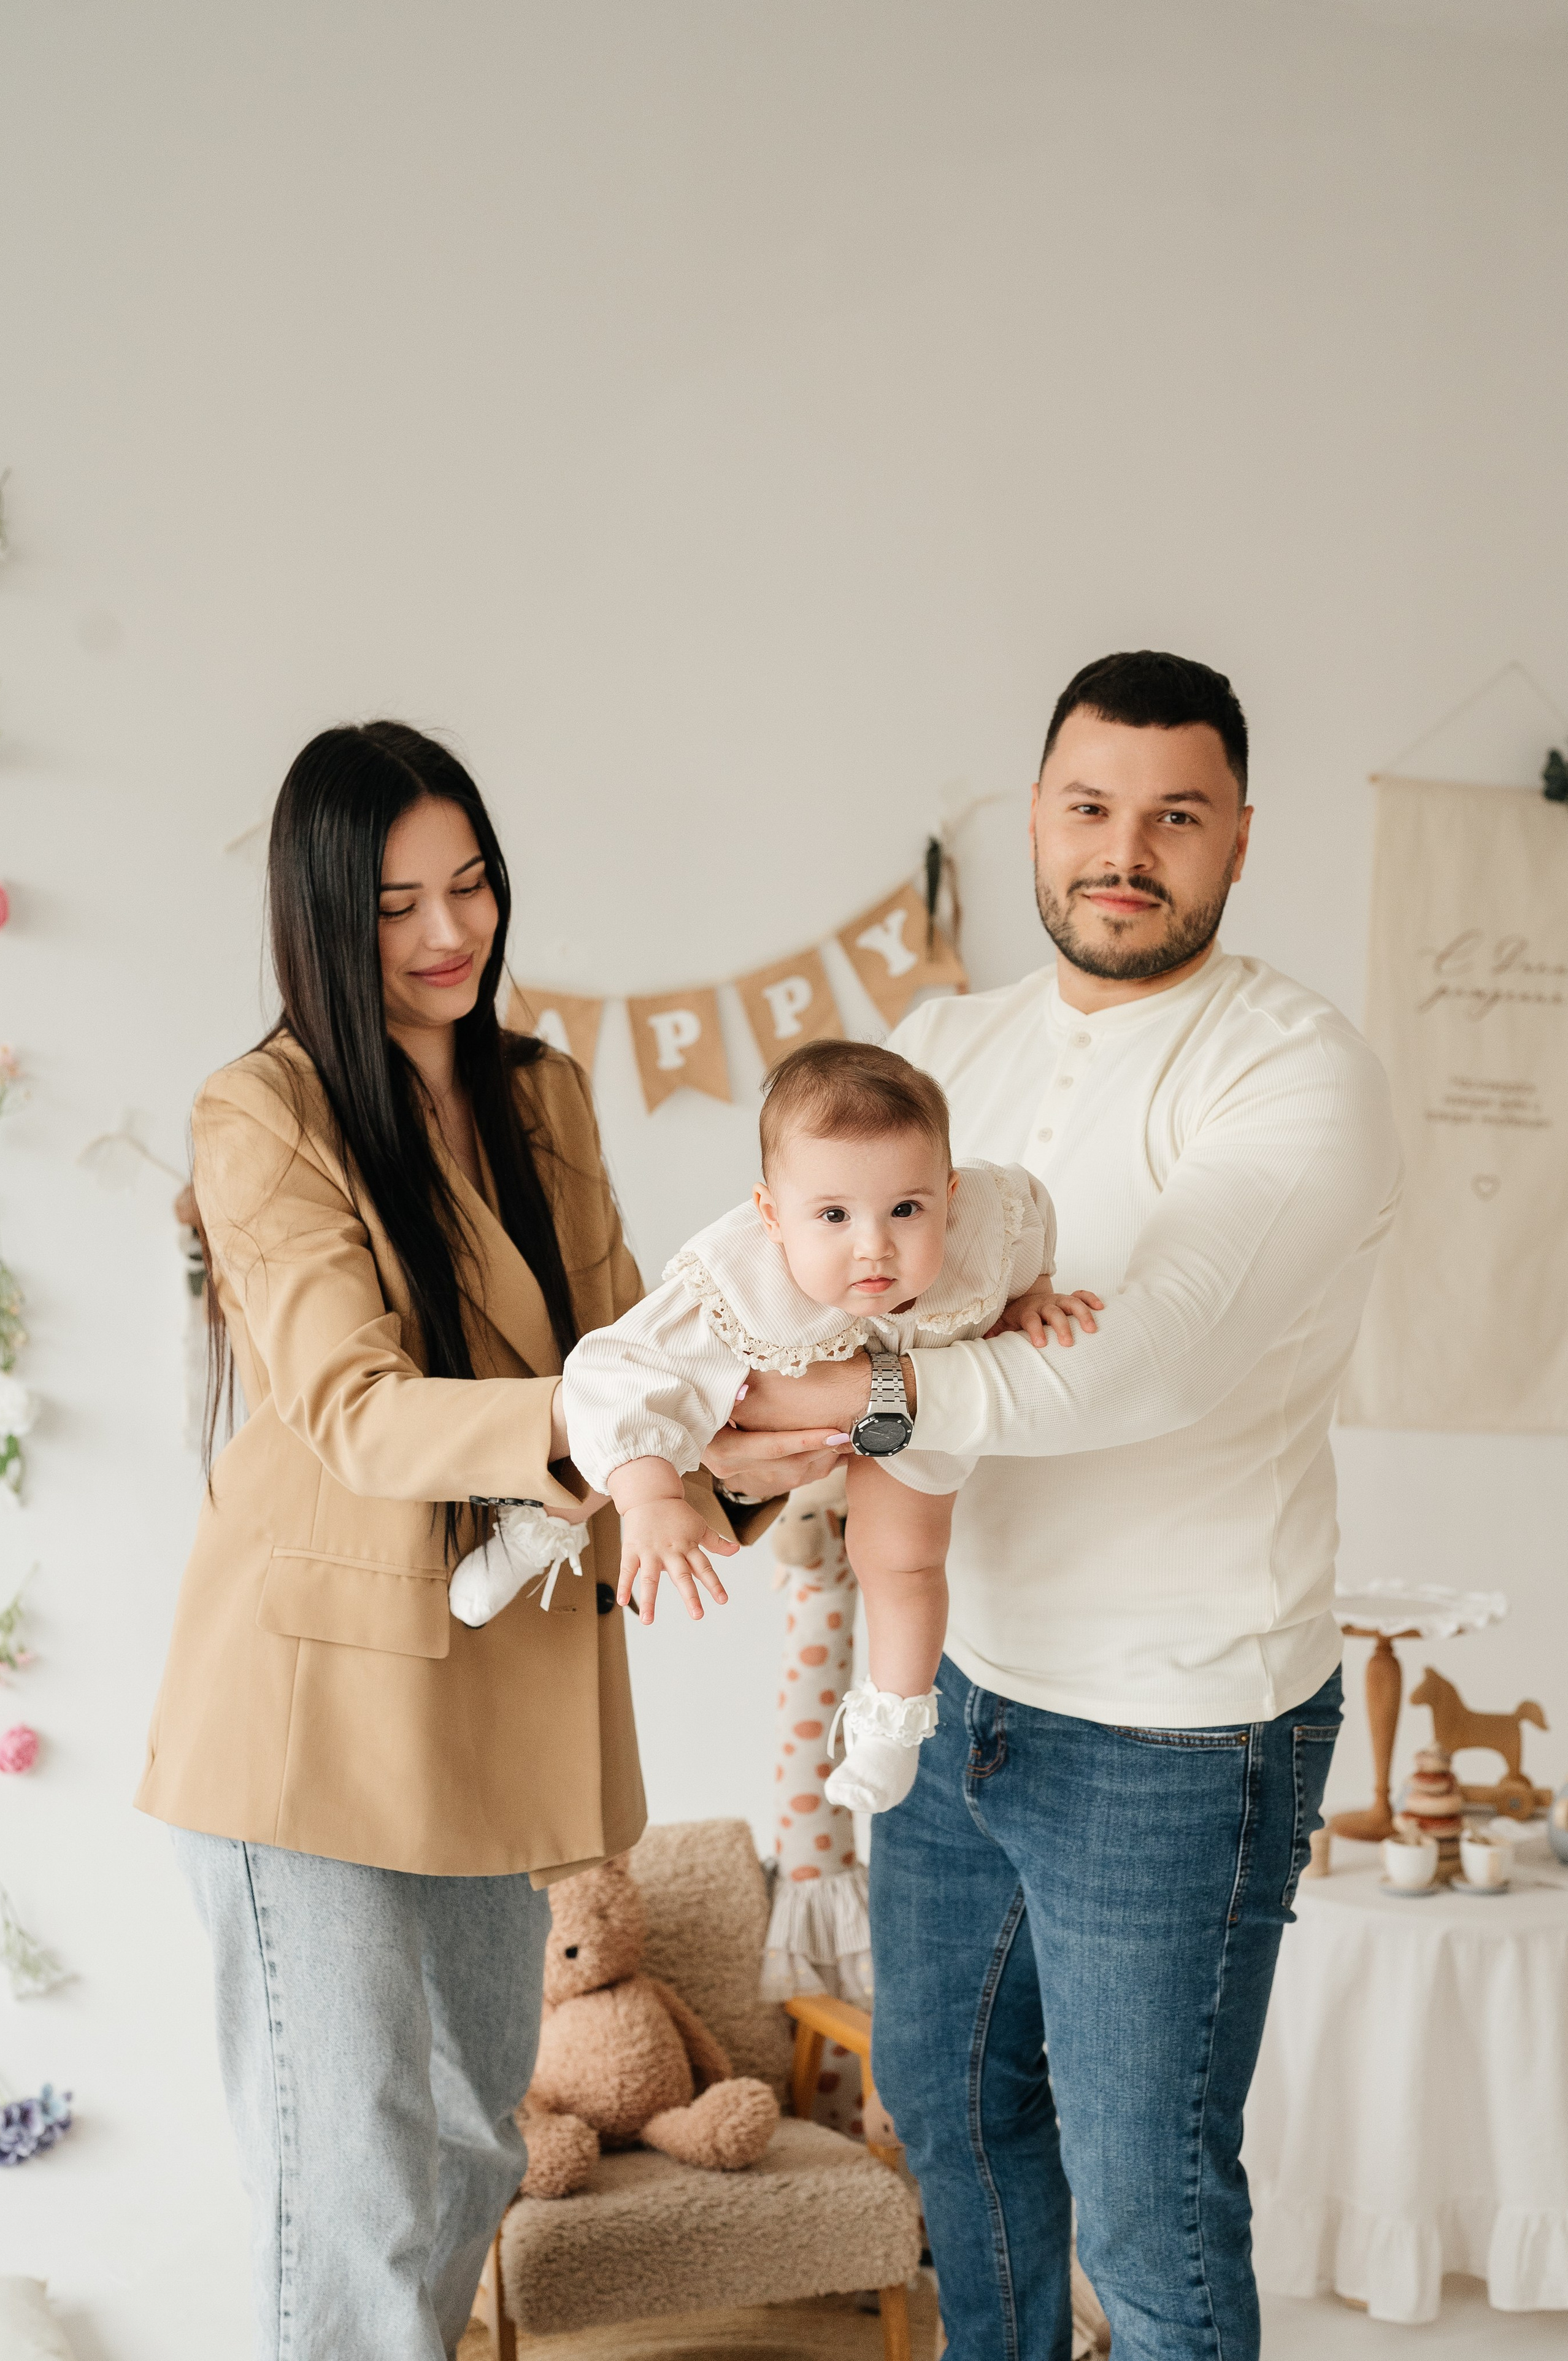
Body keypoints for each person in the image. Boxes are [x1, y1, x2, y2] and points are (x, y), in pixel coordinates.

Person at [729, 651, 1402, 2361]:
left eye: (1176, 817)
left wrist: (812, 1399)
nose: (1128, 849)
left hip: (1178, 1723)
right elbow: (814, 1274)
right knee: (950, 2120)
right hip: (956, 1682)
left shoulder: (1296, 1070)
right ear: (1037, 819)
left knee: (1148, 2188)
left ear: (1241, 838)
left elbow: (1140, 1365)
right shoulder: (946, 1046)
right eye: (1092, 809)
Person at [136, 723, 829, 2361]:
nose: (450, 934)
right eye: (396, 904)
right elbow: (357, 1408)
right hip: (313, 1728)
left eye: (472, 887)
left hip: (490, 1707)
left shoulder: (541, 1094)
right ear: (320, 913)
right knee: (363, 2203)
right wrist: (607, 1425)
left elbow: (633, 1354)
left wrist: (768, 1449)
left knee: (458, 2172)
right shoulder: (263, 1111)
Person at [533, 1039, 1097, 1814]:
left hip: (909, 1394)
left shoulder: (986, 1218)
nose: (874, 1246)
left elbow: (1029, 1208)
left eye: (907, 1208)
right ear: (771, 1213)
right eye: (832, 1215)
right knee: (670, 1404)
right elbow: (611, 1371)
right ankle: (534, 1533)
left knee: (900, 1556)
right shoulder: (741, 1280)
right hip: (775, 1377)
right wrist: (649, 1499)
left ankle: (893, 1724)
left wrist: (1033, 1289)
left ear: (949, 1192)